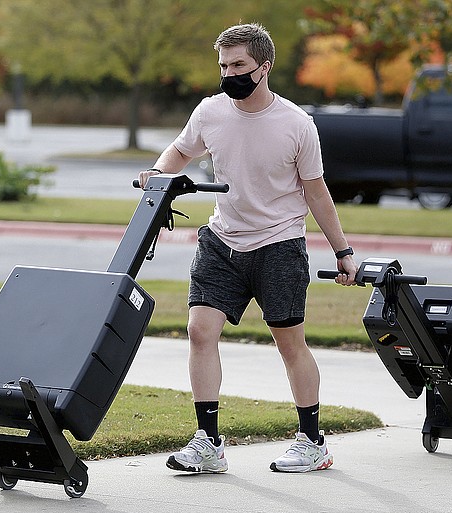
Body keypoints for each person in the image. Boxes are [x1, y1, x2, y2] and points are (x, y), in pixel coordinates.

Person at [137, 23, 358, 474]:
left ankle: (313, 441)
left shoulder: (297, 124)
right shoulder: (210, 112)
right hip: (221, 242)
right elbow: (179, 153)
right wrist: (157, 176)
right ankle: (208, 443)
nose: (228, 73)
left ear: (264, 67)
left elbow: (317, 192)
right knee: (200, 331)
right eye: (222, 65)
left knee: (289, 344)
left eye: (238, 65)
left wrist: (343, 251)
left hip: (279, 244)